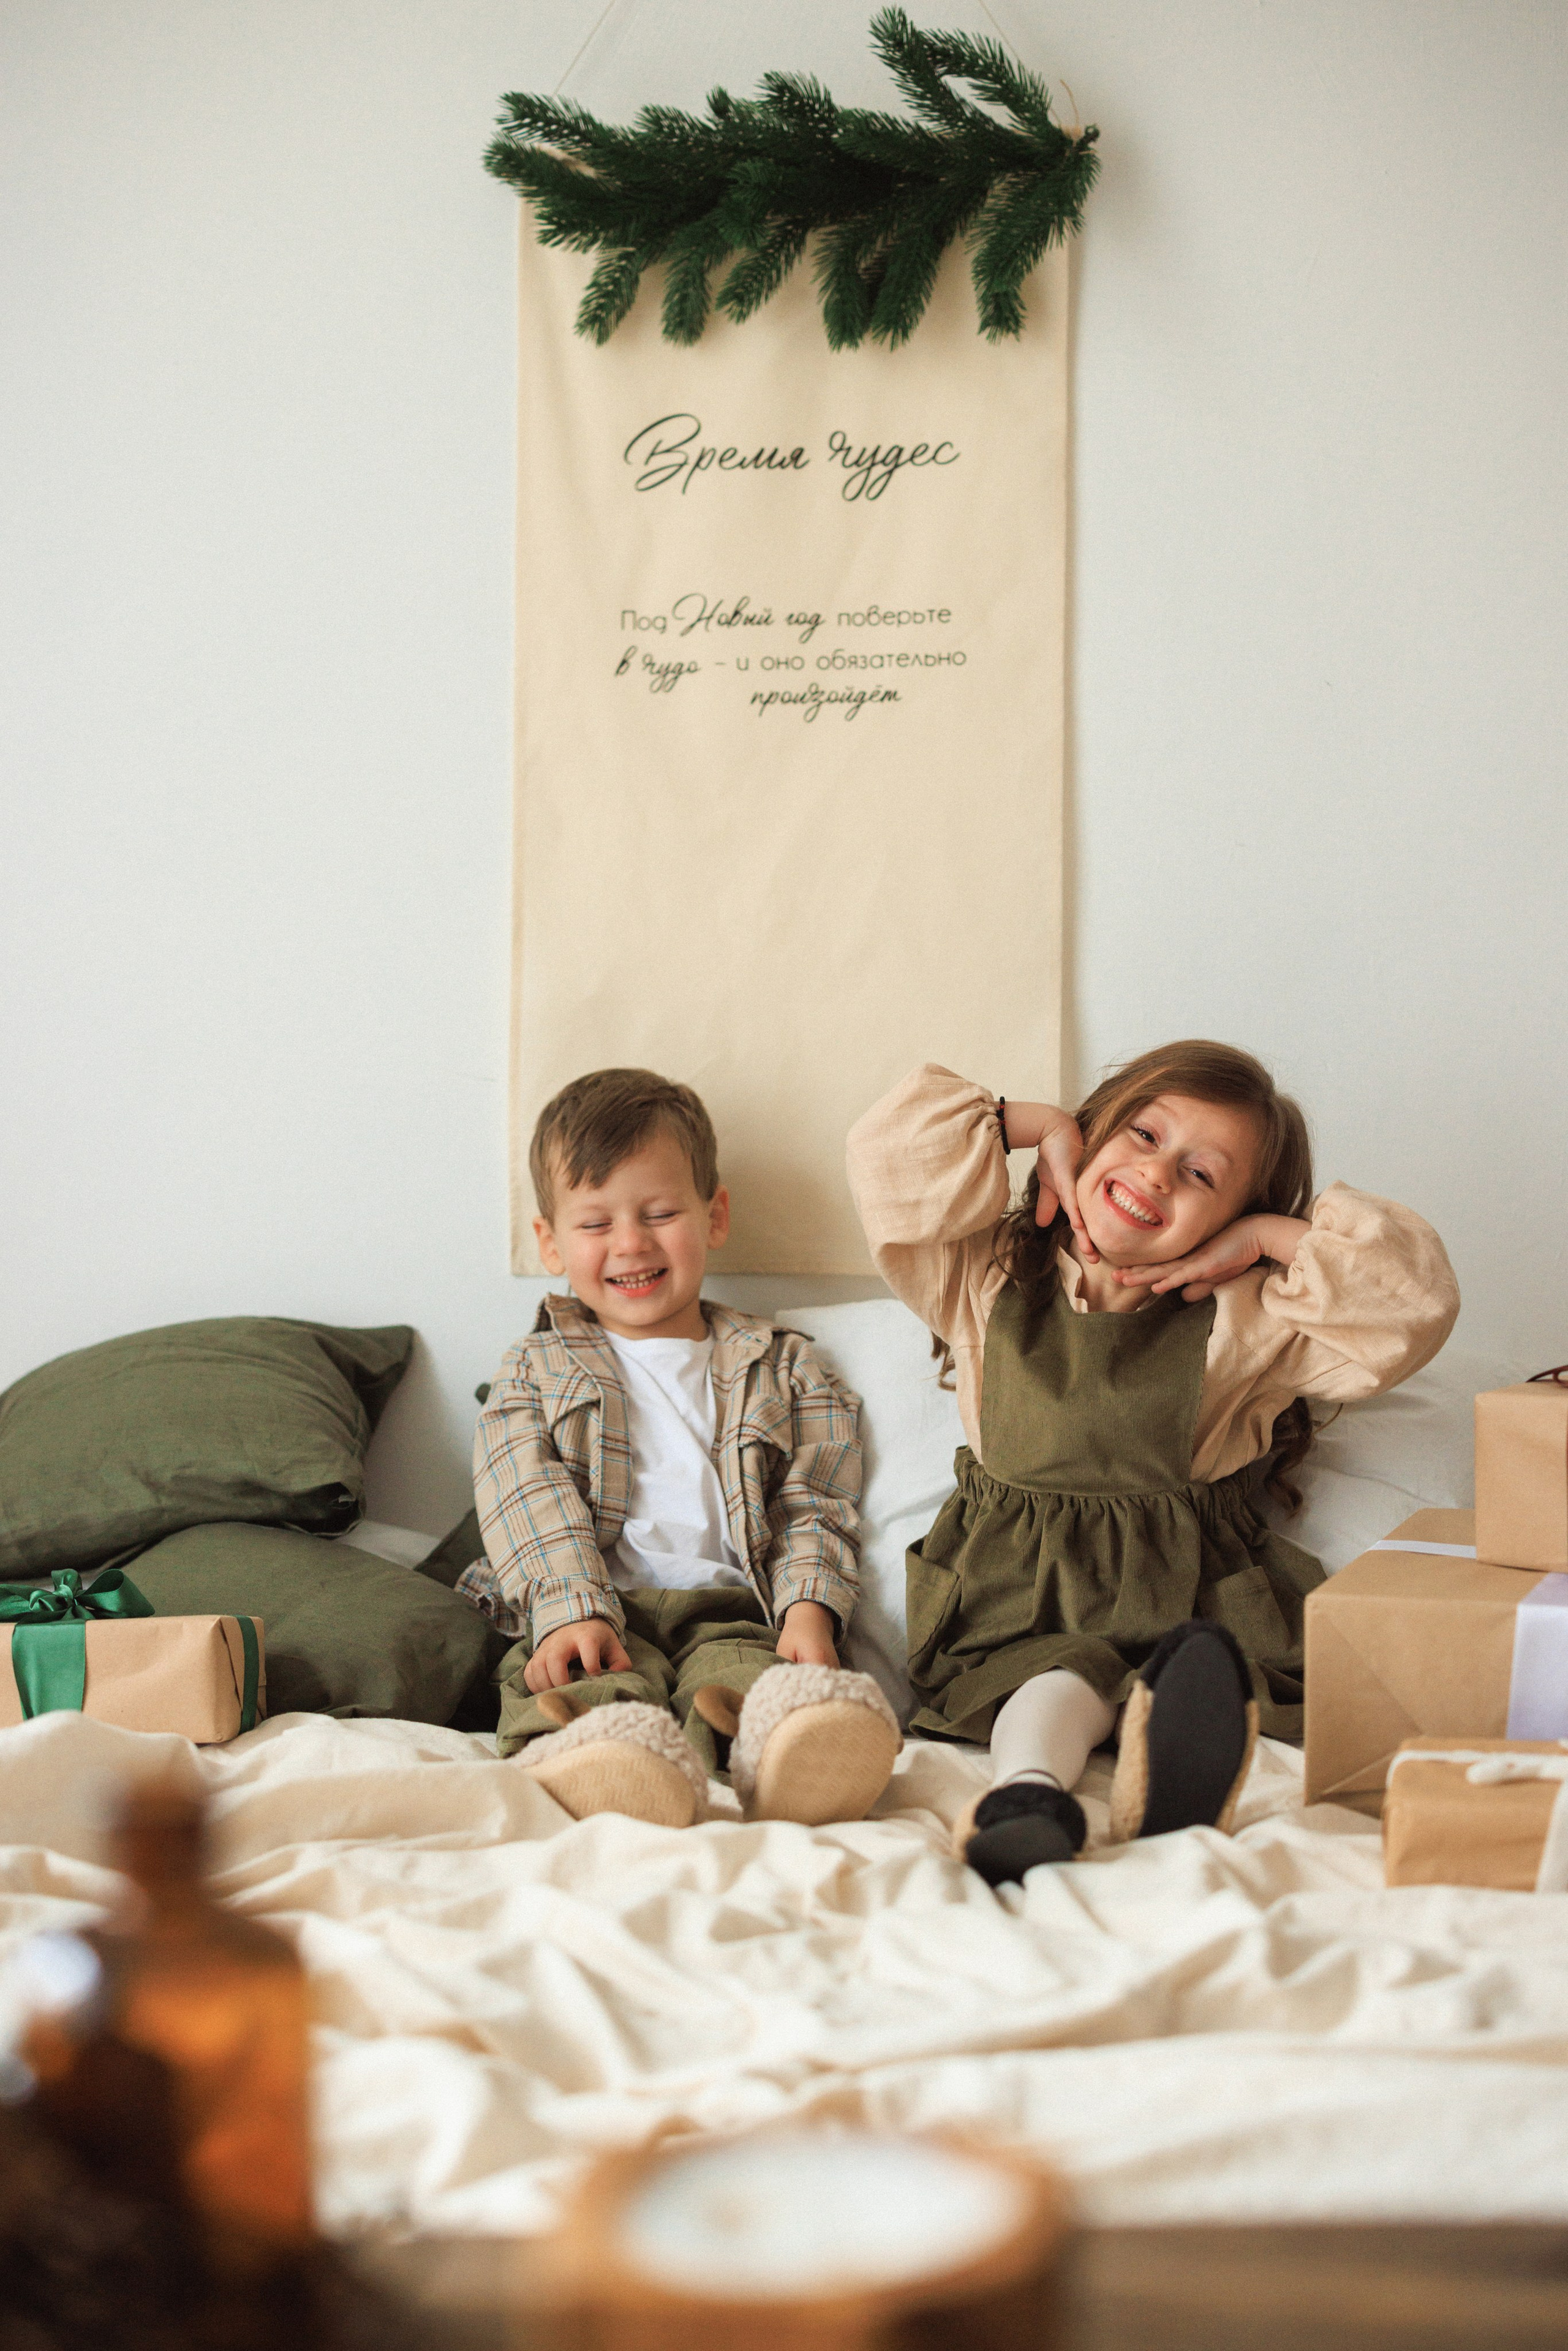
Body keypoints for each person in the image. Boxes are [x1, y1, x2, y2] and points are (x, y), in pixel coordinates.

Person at [846, 1049, 1459, 1887]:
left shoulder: (1248, 1318)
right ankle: (1026, 1796)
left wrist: (1266, 1239)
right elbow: (889, 1147)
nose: (1158, 1172)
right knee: (1059, 1676)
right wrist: (1046, 1125)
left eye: (1202, 1175)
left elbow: (1415, 1299)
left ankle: (1164, 1755)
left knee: (1188, 1675)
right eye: (1142, 1133)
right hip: (1019, 1598)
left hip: (1189, 1599)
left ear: (1231, 1216)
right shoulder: (985, 1273)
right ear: (1098, 1131)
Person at [461, 1067, 899, 1832]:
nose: (631, 1242)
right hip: (596, 1606)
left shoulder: (787, 1366)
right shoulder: (534, 1368)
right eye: (595, 1223)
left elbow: (815, 1503)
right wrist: (568, 1610)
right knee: (576, 1689)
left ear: (714, 1216)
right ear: (550, 1241)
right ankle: (610, 1767)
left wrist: (809, 1612)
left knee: (759, 1689)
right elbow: (524, 1494)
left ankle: (792, 1767)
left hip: (731, 1610)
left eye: (660, 1213)